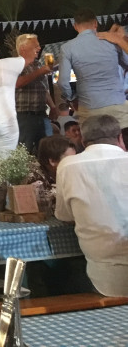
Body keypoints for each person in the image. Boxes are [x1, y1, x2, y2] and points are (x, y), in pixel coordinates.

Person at [55, 114, 128, 297]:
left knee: (62, 272)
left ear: (82, 140)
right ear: (120, 138)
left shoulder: (67, 166)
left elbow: (64, 216)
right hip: (107, 272)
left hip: (104, 276)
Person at [58, 9, 128, 139]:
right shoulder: (112, 41)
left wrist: (72, 97)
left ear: (75, 26)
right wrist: (121, 39)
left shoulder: (67, 48)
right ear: (95, 23)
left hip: (89, 106)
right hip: (117, 103)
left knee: (94, 143)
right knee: (122, 142)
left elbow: (62, 82)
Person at [14, 34, 58, 153]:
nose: (39, 48)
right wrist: (39, 72)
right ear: (23, 48)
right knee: (24, 150)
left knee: (49, 149)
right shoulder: (16, 64)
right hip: (24, 115)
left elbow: (43, 88)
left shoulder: (38, 64)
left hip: (41, 113)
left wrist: (53, 106)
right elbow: (18, 83)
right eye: (35, 46)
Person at [29, 135, 75, 215]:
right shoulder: (34, 174)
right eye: (69, 160)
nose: (74, 163)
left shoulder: (71, 171)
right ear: (52, 161)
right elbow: (52, 205)